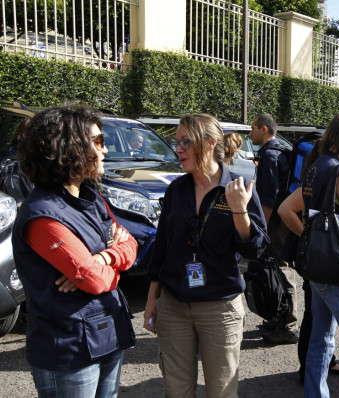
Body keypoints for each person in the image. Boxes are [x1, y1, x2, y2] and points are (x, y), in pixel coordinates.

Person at [11, 107, 138, 397]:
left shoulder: (90, 198)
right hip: (70, 348)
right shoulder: (43, 214)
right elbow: (92, 279)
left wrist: (104, 258)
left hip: (108, 334)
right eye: (97, 141)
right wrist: (102, 268)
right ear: (68, 148)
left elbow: (130, 245)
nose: (105, 149)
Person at [143, 114, 268, 397]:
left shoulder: (238, 187)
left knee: (221, 391)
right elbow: (162, 246)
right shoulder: (177, 189)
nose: (178, 149)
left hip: (219, 308)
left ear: (210, 143)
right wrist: (153, 299)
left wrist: (239, 210)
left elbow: (256, 249)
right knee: (176, 391)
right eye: (177, 143)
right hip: (174, 305)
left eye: (186, 142)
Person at [278, 112, 339, 398]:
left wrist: (308, 240)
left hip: (315, 270)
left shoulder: (316, 166)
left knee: (321, 340)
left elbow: (287, 209)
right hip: (336, 273)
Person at [279, 139, 339, 384]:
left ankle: (323, 363)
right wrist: (309, 238)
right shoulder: (317, 180)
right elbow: (286, 211)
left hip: (313, 255)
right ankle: (308, 369)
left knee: (319, 313)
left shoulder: (313, 176)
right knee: (316, 314)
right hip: (314, 257)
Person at [249, 113, 298, 344]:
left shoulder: (269, 155)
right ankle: (278, 317)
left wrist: (262, 227)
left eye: (253, 129)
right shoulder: (281, 152)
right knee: (277, 270)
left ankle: (287, 326)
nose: (251, 134)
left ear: (264, 129)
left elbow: (268, 199)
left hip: (276, 223)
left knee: (281, 269)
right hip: (283, 220)